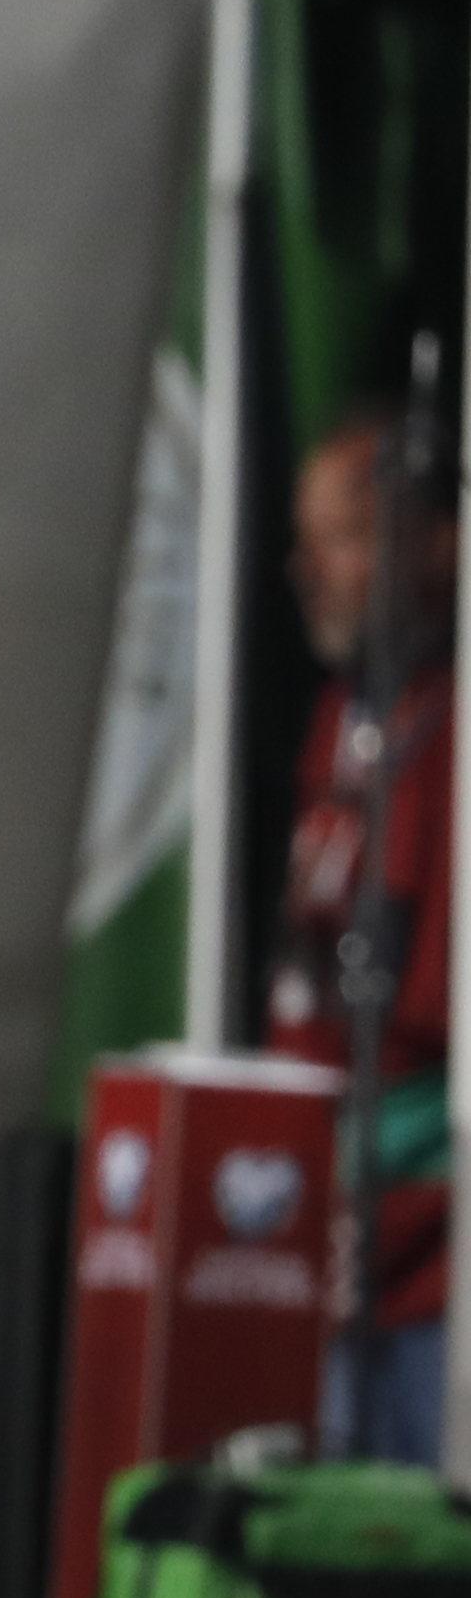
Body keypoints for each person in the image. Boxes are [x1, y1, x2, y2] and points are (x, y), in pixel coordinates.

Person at [263, 408, 458, 1465]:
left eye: (339, 537)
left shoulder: (455, 731)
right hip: (338, 1255)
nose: (305, 570)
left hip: (433, 1271)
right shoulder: (345, 717)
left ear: (439, 541)